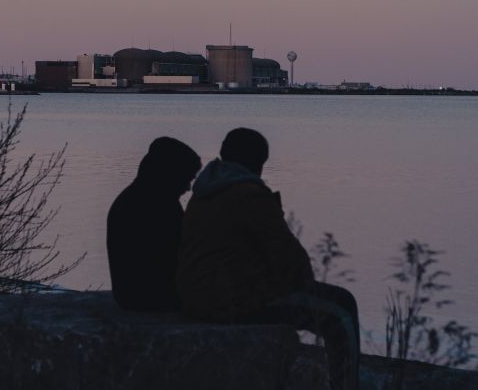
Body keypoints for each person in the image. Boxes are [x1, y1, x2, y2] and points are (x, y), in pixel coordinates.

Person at [178, 127, 360, 390]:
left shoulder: (204, 192)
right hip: (231, 300)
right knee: (341, 309)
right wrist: (301, 283)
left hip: (197, 296)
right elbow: (288, 255)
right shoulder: (248, 194)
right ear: (258, 163)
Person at [106, 136, 201, 312]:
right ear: (171, 174)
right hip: (152, 298)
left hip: (131, 296)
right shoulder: (157, 206)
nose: (188, 188)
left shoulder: (132, 198)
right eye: (186, 179)